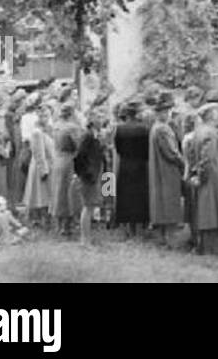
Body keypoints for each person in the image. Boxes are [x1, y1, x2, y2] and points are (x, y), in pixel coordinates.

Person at [191, 103, 218, 255]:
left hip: (212, 177)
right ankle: (212, 249)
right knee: (212, 213)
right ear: (211, 115)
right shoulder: (209, 133)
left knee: (211, 212)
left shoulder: (200, 131)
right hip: (212, 179)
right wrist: (201, 176)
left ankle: (210, 247)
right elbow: (206, 158)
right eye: (217, 112)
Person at [147, 94, 185, 246]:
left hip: (159, 169)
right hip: (167, 170)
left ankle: (163, 237)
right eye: (167, 111)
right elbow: (172, 152)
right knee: (168, 201)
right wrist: (183, 163)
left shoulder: (155, 127)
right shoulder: (163, 129)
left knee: (161, 201)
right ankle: (169, 238)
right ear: (162, 112)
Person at [112, 101, 151, 235]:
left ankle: (128, 226)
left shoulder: (119, 129)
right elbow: (147, 149)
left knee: (125, 196)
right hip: (140, 164)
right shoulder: (144, 129)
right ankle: (140, 225)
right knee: (139, 196)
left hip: (125, 164)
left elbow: (118, 148)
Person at [72, 114, 108, 247]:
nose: (101, 120)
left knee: (91, 206)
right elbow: (79, 156)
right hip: (88, 176)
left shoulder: (94, 135)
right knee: (87, 207)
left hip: (94, 174)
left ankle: (87, 238)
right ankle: (84, 240)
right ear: (92, 122)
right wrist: (84, 173)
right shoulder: (87, 136)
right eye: (99, 117)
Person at [50, 102, 81, 237]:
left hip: (57, 159)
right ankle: (67, 226)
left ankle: (58, 223)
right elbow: (78, 144)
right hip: (69, 160)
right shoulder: (72, 127)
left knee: (58, 192)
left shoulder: (55, 125)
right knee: (69, 193)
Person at [22, 105, 55, 230]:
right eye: (42, 116)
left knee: (48, 195)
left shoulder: (50, 130)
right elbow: (38, 153)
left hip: (50, 163)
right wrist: (43, 170)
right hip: (41, 166)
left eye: (47, 115)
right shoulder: (37, 132)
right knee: (41, 195)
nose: (44, 118)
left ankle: (46, 221)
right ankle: (40, 220)